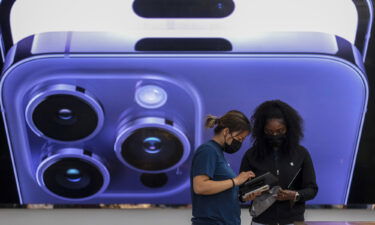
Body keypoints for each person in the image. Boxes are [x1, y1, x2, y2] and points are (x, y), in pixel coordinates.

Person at [240, 100, 318, 225]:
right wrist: (248, 195)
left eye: (280, 131)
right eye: (269, 132)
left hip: (293, 220)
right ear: (261, 130)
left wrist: (295, 195)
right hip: (261, 220)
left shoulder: (301, 153)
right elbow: (241, 191)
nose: (275, 135)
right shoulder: (251, 155)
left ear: (289, 128)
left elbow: (312, 189)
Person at [191, 110, 260, 225]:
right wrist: (236, 181)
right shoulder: (208, 151)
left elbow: (220, 191)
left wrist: (243, 197)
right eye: (239, 138)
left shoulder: (218, 152)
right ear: (226, 131)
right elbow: (200, 186)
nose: (240, 143)